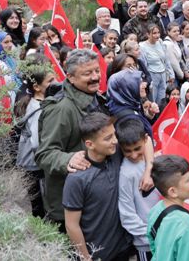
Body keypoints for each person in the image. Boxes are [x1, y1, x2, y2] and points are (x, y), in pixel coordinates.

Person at [35, 49, 153, 229]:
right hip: (77, 207)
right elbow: (44, 154)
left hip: (102, 200)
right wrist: (68, 159)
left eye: (97, 71)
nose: (95, 77)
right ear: (71, 77)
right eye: (87, 73)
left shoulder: (97, 98)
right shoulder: (62, 109)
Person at [63, 112, 133, 261]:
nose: (115, 141)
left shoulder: (115, 154)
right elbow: (71, 225)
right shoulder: (77, 178)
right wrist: (85, 257)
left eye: (114, 135)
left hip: (123, 248)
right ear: (90, 144)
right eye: (108, 138)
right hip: (98, 255)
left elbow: (144, 140)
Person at [14, 54, 56, 218]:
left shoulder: (35, 102)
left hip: (32, 163)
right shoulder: (37, 108)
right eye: (50, 82)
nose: (55, 84)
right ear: (37, 87)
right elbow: (37, 142)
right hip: (36, 165)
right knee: (41, 205)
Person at [117, 119, 162, 261]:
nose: (134, 155)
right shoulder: (126, 174)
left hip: (166, 235)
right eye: (127, 151)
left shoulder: (155, 159)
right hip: (146, 244)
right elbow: (127, 215)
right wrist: (151, 236)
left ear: (145, 140)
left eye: (137, 148)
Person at [140, 24, 173, 105]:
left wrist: (171, 74)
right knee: (153, 100)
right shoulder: (142, 46)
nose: (157, 35)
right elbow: (143, 64)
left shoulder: (160, 42)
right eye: (154, 33)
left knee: (162, 100)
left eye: (158, 32)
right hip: (152, 75)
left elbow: (166, 59)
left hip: (163, 74)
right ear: (148, 34)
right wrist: (146, 80)